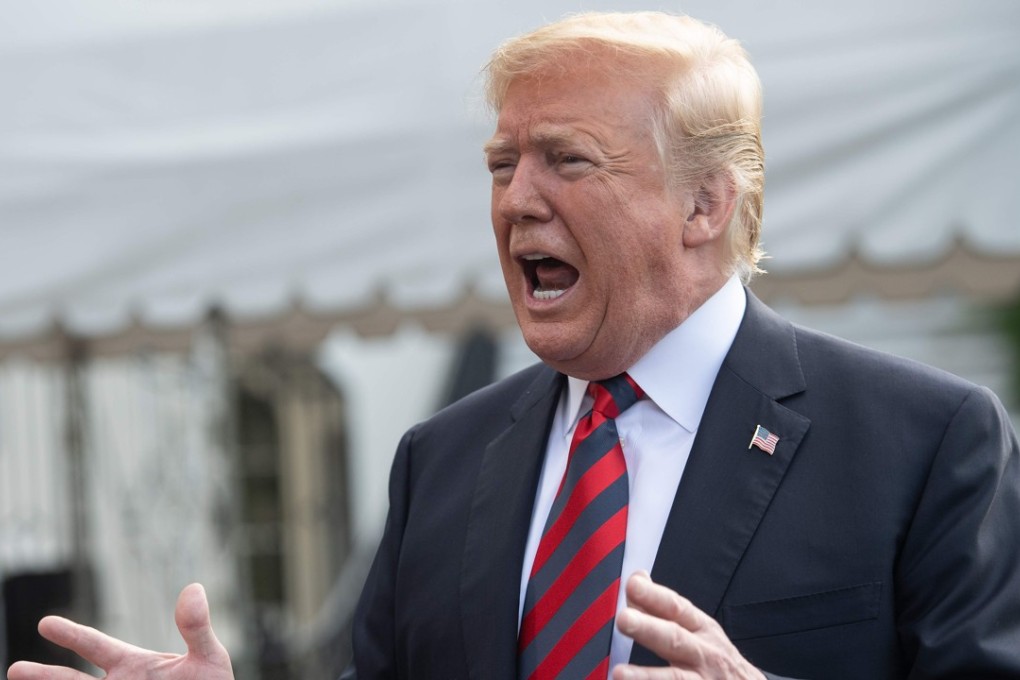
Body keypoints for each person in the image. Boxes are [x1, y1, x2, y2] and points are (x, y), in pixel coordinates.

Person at [9, 11, 1020, 680]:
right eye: (502, 165)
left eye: (566, 160)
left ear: (704, 204)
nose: (516, 200)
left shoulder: (924, 443)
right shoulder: (441, 461)